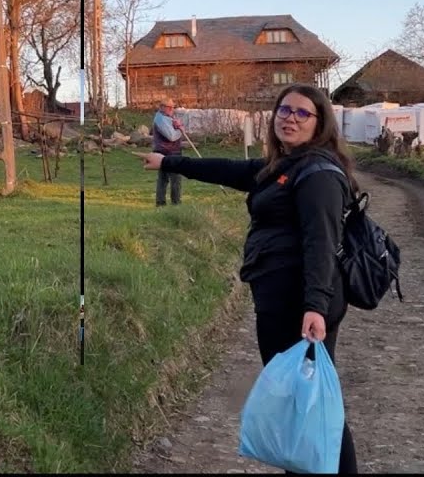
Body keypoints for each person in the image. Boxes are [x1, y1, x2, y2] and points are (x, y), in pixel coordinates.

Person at [136, 83, 359, 474]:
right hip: (281, 297)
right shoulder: (285, 167)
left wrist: (315, 307)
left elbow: (321, 244)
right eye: (284, 110)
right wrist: (169, 162)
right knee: (298, 400)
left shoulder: (318, 174)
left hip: (299, 302)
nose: (290, 118)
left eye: (302, 113)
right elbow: (231, 169)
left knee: (312, 403)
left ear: (320, 123)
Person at [151, 99, 186, 206]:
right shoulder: (160, 119)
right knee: (173, 179)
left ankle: (161, 203)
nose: (172, 109)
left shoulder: (168, 117)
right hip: (167, 153)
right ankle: (175, 203)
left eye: (173, 107)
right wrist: (181, 130)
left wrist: (177, 125)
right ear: (161, 107)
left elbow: (173, 130)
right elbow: (171, 136)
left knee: (165, 179)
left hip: (171, 151)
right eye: (168, 107)